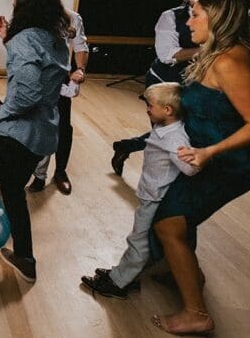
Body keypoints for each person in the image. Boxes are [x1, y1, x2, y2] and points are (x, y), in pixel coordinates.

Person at [151, 0, 250, 336]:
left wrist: (208, 152)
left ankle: (196, 313)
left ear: (216, 20)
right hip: (205, 157)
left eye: (196, 15)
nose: (188, 22)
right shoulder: (215, 54)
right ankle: (188, 274)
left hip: (229, 164)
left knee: (168, 224)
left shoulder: (229, 61)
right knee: (180, 216)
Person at [81, 82, 197, 298]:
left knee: (139, 240)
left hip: (155, 197)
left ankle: (119, 282)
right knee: (142, 239)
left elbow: (190, 169)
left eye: (151, 106)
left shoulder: (174, 138)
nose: (147, 109)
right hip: (150, 193)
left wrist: (195, 158)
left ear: (168, 110)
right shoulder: (164, 129)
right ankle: (124, 274)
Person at [0, 0, 70, 283]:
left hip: (17, 135)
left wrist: (0, 112)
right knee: (11, 192)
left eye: (16, 5)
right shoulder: (56, 42)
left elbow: (27, 94)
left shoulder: (25, 41)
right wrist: (8, 39)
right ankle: (24, 256)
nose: (13, 10)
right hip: (43, 133)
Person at [111, 0, 222, 174]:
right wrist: (211, 50)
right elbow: (167, 55)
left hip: (200, 85)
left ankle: (127, 146)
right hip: (165, 82)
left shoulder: (224, 21)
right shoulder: (171, 17)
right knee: (166, 132)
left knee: (189, 130)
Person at [30, 0, 89, 195]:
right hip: (35, 77)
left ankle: (61, 172)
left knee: (63, 127)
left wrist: (80, 69)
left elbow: (81, 46)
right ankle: (38, 174)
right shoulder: (29, 16)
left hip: (60, 77)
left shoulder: (72, 18)